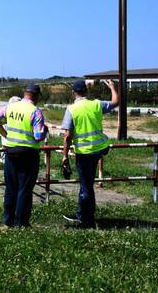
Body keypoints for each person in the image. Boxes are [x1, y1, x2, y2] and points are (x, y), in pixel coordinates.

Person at [61, 79, 119, 229]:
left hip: (84, 152)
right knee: (86, 183)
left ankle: (88, 221)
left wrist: (65, 155)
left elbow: (67, 135)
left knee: (86, 187)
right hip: (97, 150)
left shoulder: (72, 109)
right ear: (86, 92)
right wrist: (112, 87)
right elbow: (115, 102)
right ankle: (82, 213)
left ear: (73, 93)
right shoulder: (96, 104)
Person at [0, 85, 48, 228]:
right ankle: (21, 222)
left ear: (24, 94)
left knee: (11, 187)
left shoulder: (10, 107)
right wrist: (45, 130)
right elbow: (38, 136)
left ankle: (8, 218)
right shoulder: (36, 112)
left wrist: (5, 134)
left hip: (11, 152)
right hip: (28, 154)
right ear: (36, 96)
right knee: (24, 189)